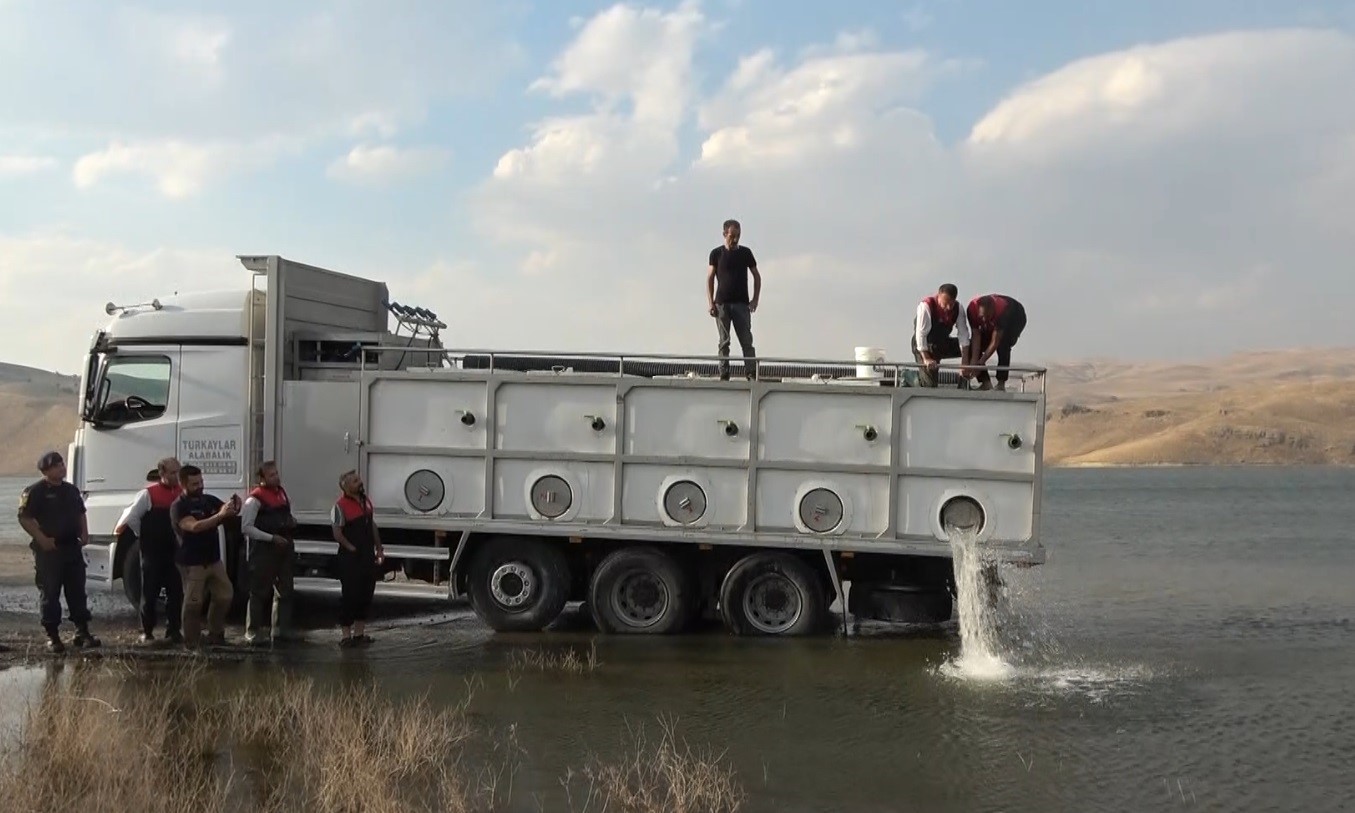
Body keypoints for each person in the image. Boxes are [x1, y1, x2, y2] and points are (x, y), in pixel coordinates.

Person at [16, 452, 100, 653]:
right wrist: (42, 539)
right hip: (50, 551)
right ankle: (53, 636)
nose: (61, 468)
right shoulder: (35, 492)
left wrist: (85, 534)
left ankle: (82, 632)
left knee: (77, 590)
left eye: (62, 464)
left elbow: (81, 512)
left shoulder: (71, 490)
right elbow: (24, 518)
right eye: (56, 465)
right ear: (46, 471)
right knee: (50, 592)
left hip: (71, 547)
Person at [114, 457, 184, 644]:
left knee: (176, 591)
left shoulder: (181, 493)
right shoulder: (148, 494)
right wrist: (143, 535)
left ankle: (174, 631)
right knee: (149, 591)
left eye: (178, 471)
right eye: (172, 472)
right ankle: (147, 632)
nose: (177, 476)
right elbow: (132, 517)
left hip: (174, 551)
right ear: (162, 474)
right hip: (152, 551)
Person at [170, 464, 238, 648]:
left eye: (201, 482)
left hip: (213, 559)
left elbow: (224, 509)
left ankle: (215, 633)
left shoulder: (207, 500)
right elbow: (194, 527)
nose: (199, 486)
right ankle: (192, 642)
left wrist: (233, 506)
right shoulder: (178, 506)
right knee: (193, 603)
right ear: (183, 485)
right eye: (194, 484)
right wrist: (219, 516)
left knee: (225, 595)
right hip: (192, 562)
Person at [240, 460, 298, 645]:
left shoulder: (281, 494)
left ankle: (281, 630)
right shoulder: (254, 500)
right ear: (262, 478)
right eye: (271, 475)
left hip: (285, 547)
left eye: (276, 473)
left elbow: (286, 515)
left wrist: (292, 522)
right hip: (265, 550)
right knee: (258, 592)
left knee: (285, 590)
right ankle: (252, 632)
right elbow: (247, 528)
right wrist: (271, 538)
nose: (276, 477)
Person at [331, 470, 384, 648]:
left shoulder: (366, 501)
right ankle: (346, 636)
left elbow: (372, 524)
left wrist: (379, 548)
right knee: (350, 595)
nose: (359, 483)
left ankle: (359, 634)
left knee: (366, 593)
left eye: (358, 479)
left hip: (367, 556)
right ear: (346, 487)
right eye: (354, 481)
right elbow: (337, 533)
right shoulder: (339, 506)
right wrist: (350, 547)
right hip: (350, 558)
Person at [705, 219, 762, 381]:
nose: (735, 239)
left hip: (741, 304)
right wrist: (711, 303)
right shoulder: (716, 254)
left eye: (738, 236)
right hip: (722, 303)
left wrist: (755, 299)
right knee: (724, 341)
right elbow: (709, 278)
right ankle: (724, 372)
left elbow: (756, 275)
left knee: (746, 340)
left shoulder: (745, 253)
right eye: (732, 236)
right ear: (725, 234)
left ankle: (751, 372)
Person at [912, 283, 971, 388]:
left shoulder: (958, 309)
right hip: (924, 345)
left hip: (942, 343)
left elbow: (963, 335)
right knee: (929, 386)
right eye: (945, 304)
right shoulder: (926, 306)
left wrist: (964, 362)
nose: (948, 308)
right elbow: (921, 335)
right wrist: (926, 358)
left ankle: (964, 384)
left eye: (951, 304)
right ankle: (908, 376)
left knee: (972, 348)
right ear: (938, 296)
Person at [966, 294, 1028, 391]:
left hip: (1015, 316)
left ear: (993, 310)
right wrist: (974, 361)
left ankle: (1001, 383)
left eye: (987, 316)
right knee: (971, 345)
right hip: (995, 320)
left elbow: (995, 342)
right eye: (981, 317)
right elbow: (976, 335)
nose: (984, 320)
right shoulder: (972, 309)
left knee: (1003, 344)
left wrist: (981, 362)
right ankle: (985, 382)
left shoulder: (1003, 312)